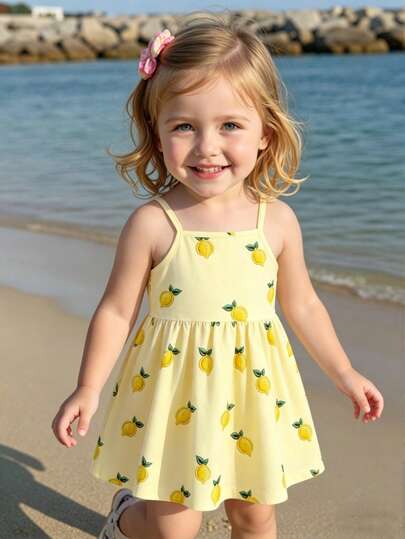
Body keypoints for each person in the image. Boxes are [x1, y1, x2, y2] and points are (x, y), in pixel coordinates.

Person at [51, 11, 384, 539]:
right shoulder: (153, 224)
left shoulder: (276, 221)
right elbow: (116, 310)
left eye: (230, 125)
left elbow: (303, 304)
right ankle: (126, 518)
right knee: (173, 530)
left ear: (265, 133)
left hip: (254, 393)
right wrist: (87, 388)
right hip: (175, 396)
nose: (207, 146)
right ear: (158, 134)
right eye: (184, 126)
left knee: (255, 518)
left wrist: (345, 373)